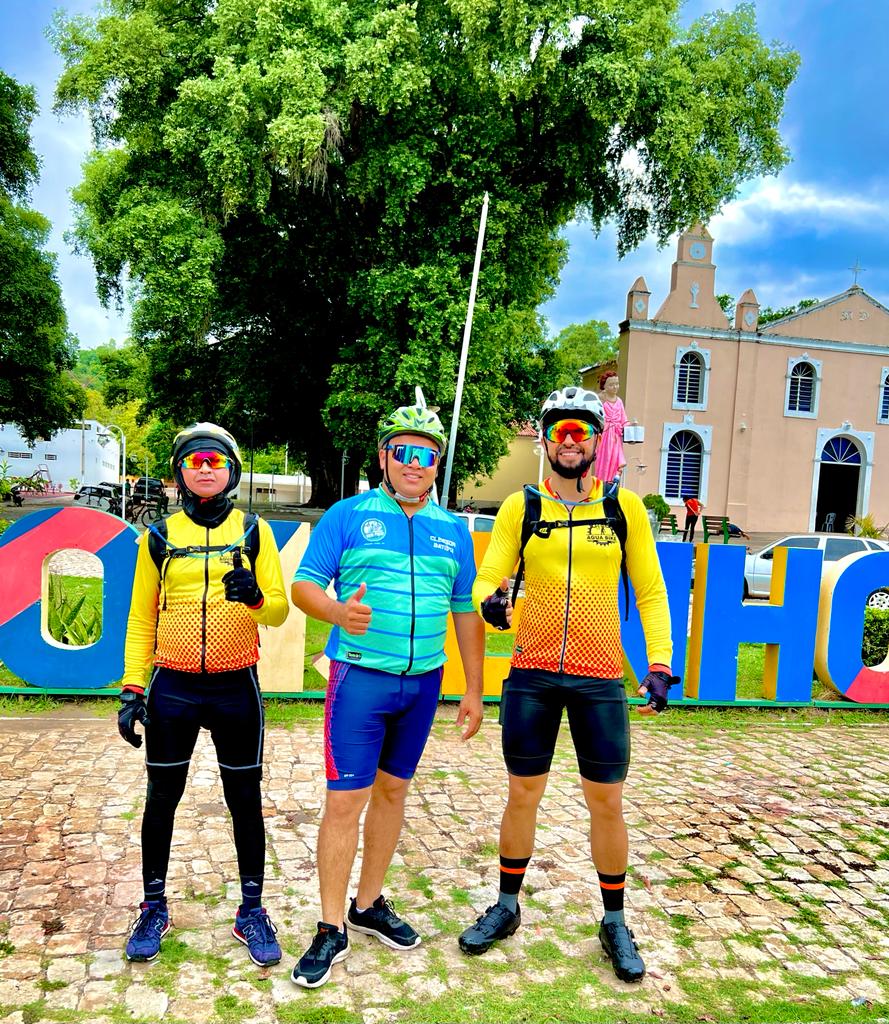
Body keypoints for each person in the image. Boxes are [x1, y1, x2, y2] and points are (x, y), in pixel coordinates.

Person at [457, 386, 676, 983]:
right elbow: (487, 579)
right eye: (561, 431)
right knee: (522, 794)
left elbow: (652, 592)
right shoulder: (520, 508)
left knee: (606, 801)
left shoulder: (623, 508)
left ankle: (613, 920)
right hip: (532, 675)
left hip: (599, 678)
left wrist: (660, 663)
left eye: (582, 430)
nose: (571, 440)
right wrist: (493, 603)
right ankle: (506, 906)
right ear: (547, 439)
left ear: (597, 440)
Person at [289, 405, 485, 989]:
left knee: (394, 792)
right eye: (403, 451)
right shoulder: (348, 516)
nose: (414, 464)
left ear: (437, 463)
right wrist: (336, 611)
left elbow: (465, 610)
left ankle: (367, 903)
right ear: (383, 457)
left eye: (426, 454)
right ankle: (329, 928)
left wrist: (473, 688)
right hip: (360, 680)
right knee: (346, 801)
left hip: (423, 683)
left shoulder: (452, 530)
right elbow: (303, 585)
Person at [117, 423, 289, 967]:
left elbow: (281, 610)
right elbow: (142, 616)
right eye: (196, 461)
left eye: (216, 460)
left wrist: (257, 598)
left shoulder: (255, 532)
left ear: (232, 470)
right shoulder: (159, 538)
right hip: (175, 687)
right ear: (181, 473)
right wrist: (131, 688)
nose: (207, 468)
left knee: (245, 802)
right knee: (161, 799)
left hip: (237, 684)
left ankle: (252, 910)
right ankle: (153, 905)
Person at [596, 371, 629, 483]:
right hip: (604, 435)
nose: (615, 387)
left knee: (616, 461)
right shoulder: (600, 398)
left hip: (616, 436)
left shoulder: (619, 401)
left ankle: (612, 482)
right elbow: (596, 416)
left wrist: (630, 428)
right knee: (604, 460)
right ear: (604, 386)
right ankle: (602, 482)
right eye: (611, 384)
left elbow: (624, 419)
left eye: (617, 384)